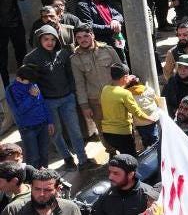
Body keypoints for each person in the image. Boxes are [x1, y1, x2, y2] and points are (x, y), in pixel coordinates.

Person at [24, 25, 90, 169]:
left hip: (67, 98)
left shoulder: (64, 53)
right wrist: (32, 87)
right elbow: (28, 80)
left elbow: (70, 75)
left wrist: (72, 92)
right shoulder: (31, 58)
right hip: (47, 102)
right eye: (46, 39)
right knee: (55, 132)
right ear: (38, 39)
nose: (50, 42)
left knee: (75, 130)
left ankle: (83, 159)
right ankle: (67, 157)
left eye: (53, 39)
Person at [99, 63, 153, 156]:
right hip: (122, 134)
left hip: (107, 134)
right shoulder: (125, 94)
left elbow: (115, 93)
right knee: (130, 160)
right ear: (124, 77)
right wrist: (150, 119)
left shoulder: (105, 89)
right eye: (128, 76)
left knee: (123, 157)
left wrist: (126, 81)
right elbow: (137, 112)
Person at [6, 65, 54, 169]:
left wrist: (49, 121)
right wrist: (31, 97)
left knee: (44, 154)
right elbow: (18, 111)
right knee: (33, 158)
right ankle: (33, 181)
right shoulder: (11, 90)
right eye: (28, 81)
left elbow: (42, 103)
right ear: (19, 78)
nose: (31, 84)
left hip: (43, 124)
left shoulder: (32, 83)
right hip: (28, 128)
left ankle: (44, 177)